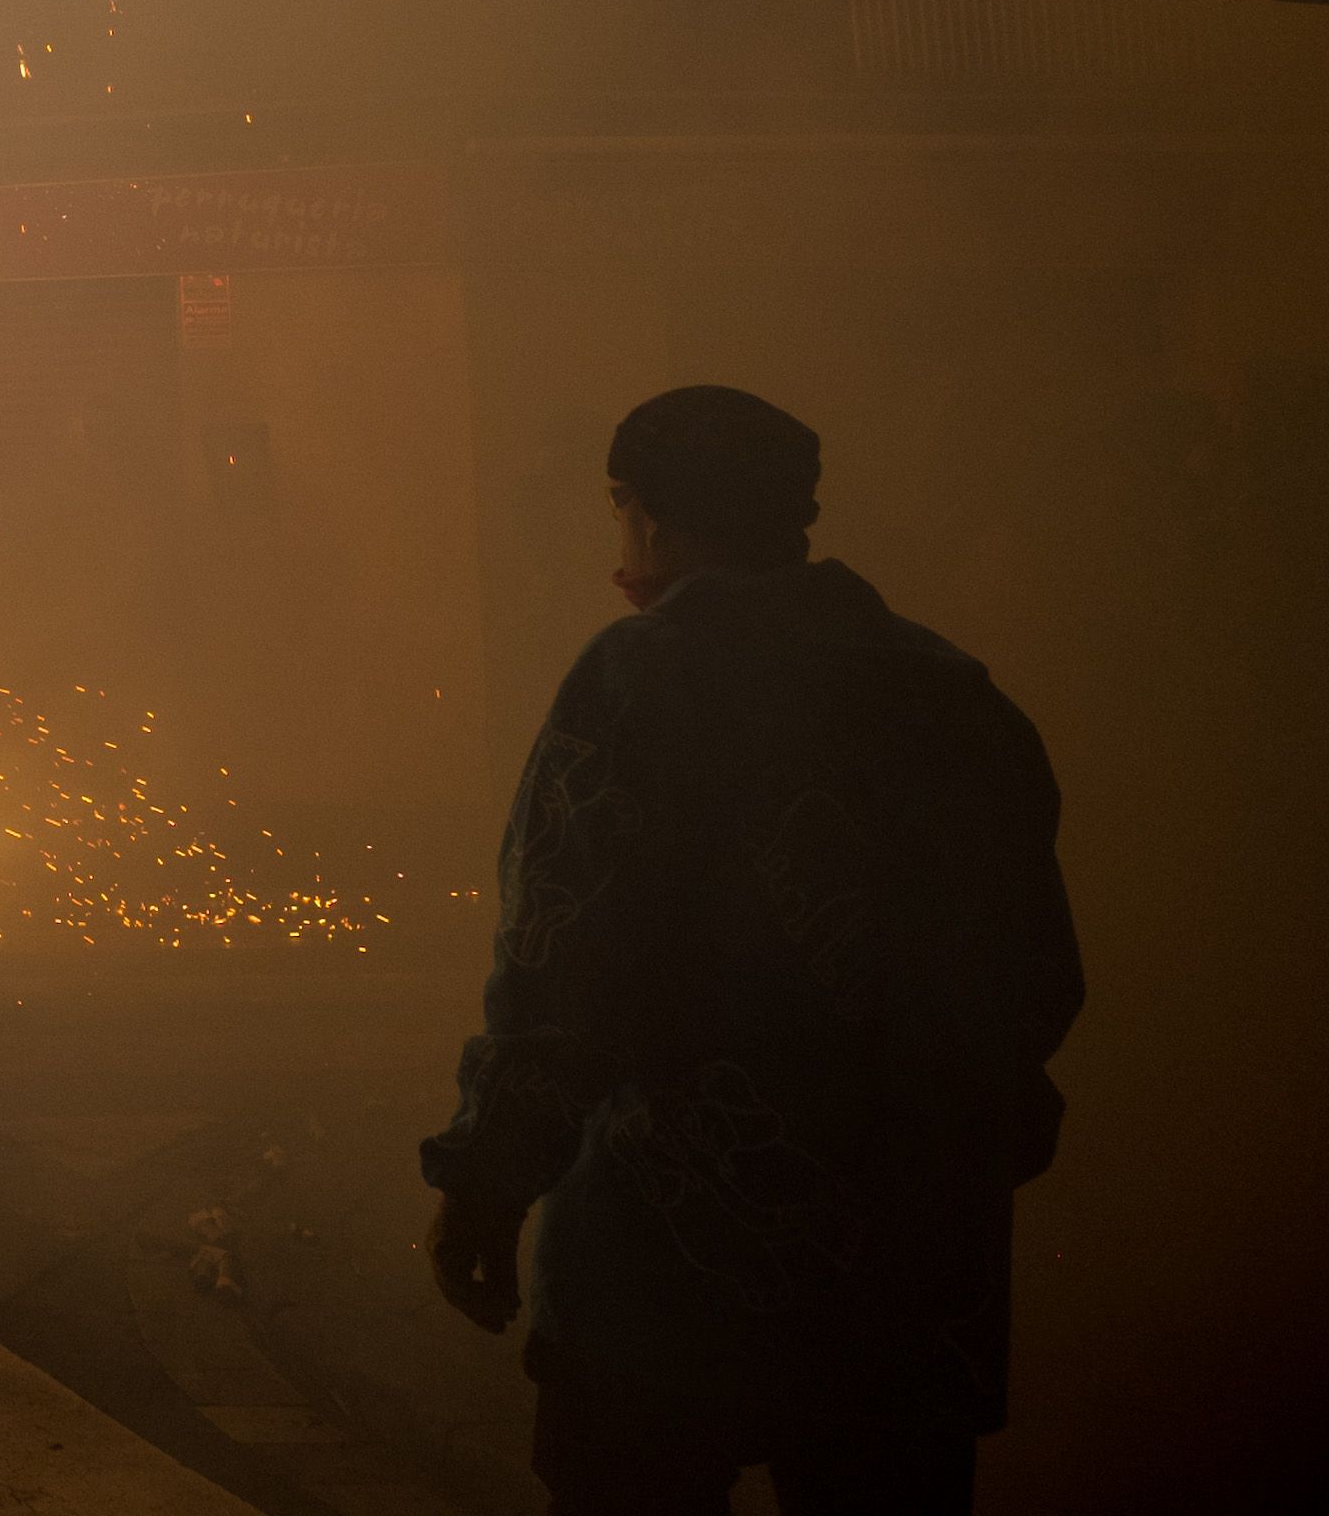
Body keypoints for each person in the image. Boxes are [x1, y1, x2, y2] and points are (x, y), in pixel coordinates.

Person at [423, 386, 1085, 1515]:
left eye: (618, 513)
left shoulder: (640, 675)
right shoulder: (949, 692)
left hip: (665, 1258)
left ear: (640, 511)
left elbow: (559, 964)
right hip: (911, 1268)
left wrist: (489, 1179)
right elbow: (1032, 977)